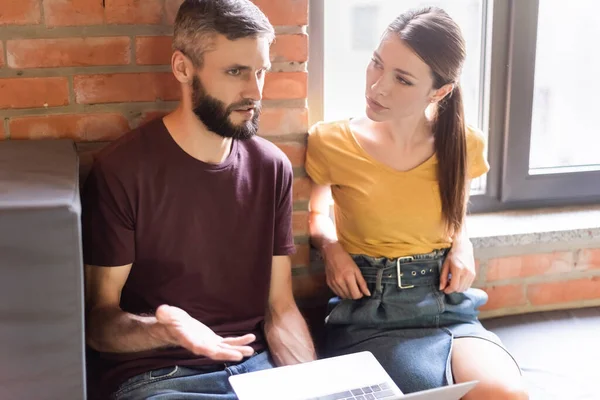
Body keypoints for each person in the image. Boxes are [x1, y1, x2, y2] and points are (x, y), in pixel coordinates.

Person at [82, 1, 316, 399]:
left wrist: (315, 388)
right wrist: (163, 329)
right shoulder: (122, 169)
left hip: (255, 372)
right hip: (161, 377)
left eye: (261, 71)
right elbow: (98, 325)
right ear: (182, 68)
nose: (255, 91)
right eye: (235, 72)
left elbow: (280, 308)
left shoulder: (271, 167)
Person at [306, 7, 528, 400]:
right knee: (424, 392)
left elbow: (455, 214)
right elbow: (316, 213)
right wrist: (332, 247)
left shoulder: (464, 142)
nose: (377, 87)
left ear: (439, 91)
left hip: (448, 305)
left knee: (505, 395)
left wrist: (462, 244)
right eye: (376, 63)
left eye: (402, 79)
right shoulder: (331, 141)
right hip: (371, 308)